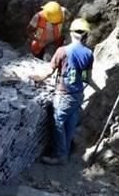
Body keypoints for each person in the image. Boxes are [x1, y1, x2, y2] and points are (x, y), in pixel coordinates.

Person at [30, 18, 97, 165]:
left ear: (71, 33)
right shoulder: (88, 53)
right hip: (78, 94)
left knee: (58, 122)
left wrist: (37, 78)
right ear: (86, 34)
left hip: (64, 94)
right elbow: (86, 77)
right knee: (70, 124)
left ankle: (60, 156)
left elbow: (49, 71)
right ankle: (66, 151)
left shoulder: (63, 51)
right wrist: (97, 89)